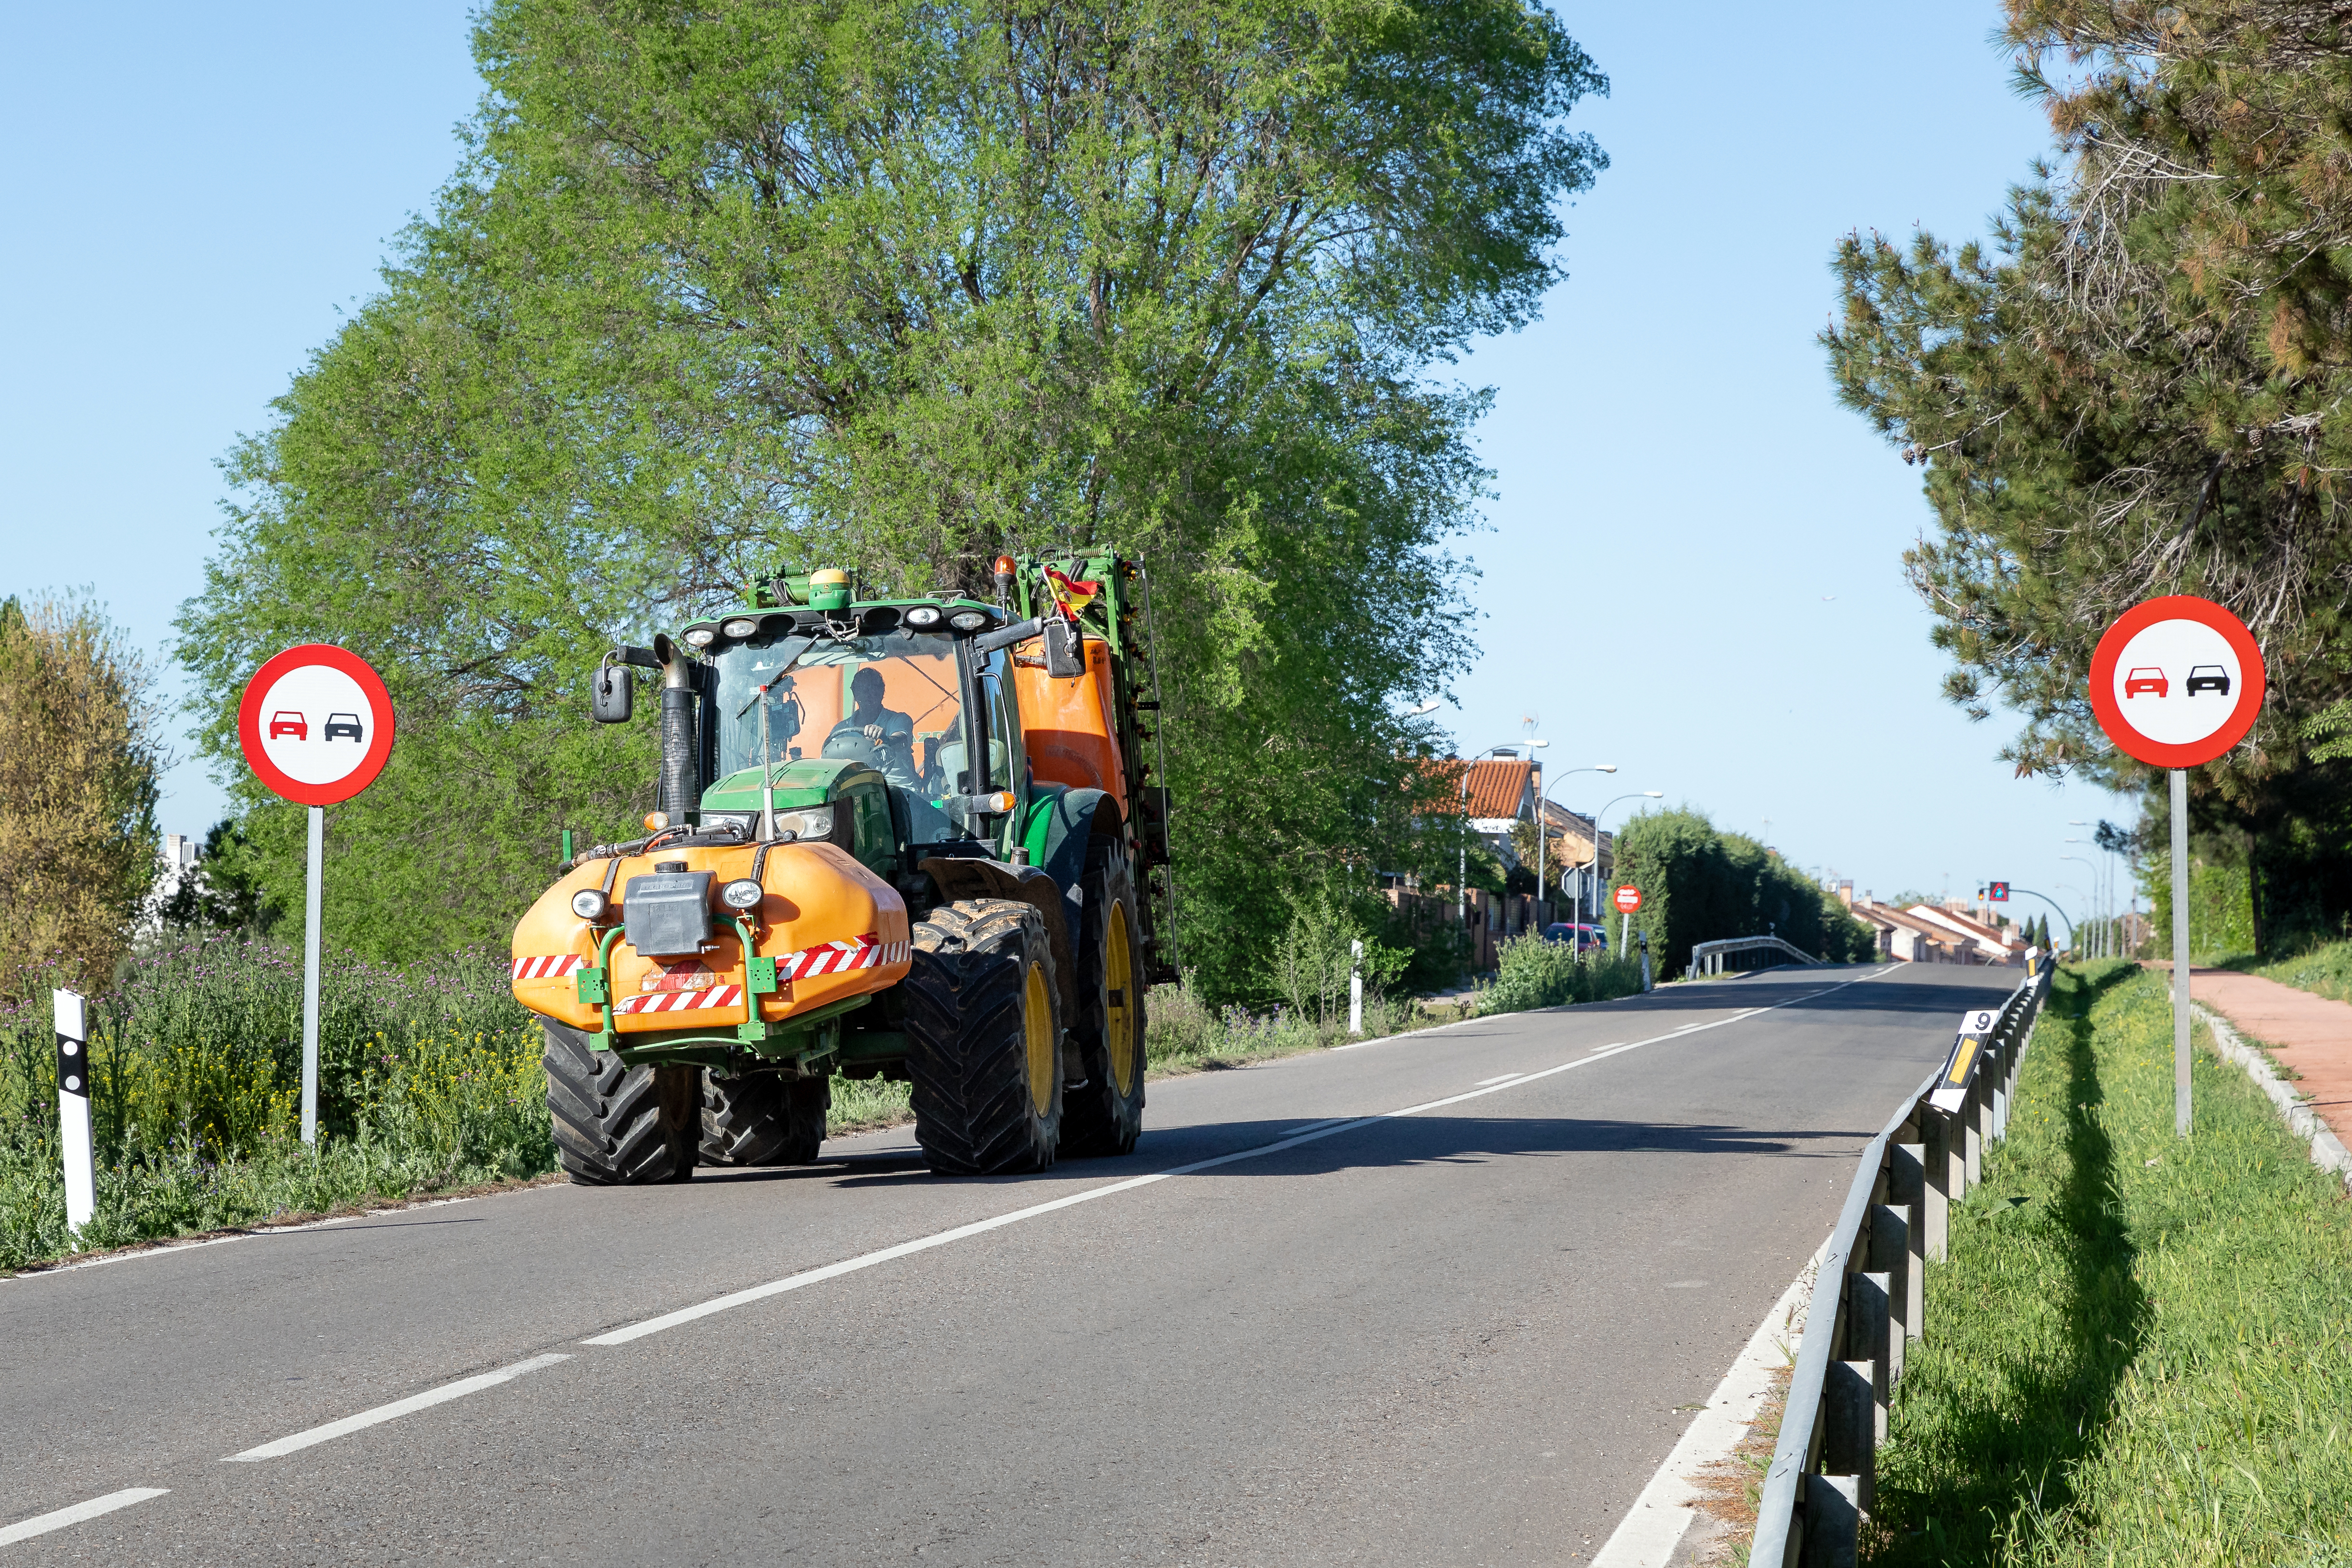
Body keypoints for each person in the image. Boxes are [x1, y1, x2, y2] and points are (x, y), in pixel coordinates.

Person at [827, 666, 917, 785]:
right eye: (863, 689)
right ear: (855, 693)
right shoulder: (840, 731)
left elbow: (900, 739)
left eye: (873, 689)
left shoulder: (899, 720)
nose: (868, 694)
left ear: (882, 692)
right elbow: (828, 763)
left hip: (898, 791)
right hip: (856, 792)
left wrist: (885, 739)